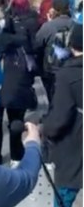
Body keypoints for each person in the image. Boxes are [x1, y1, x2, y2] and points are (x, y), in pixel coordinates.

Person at [42, 23, 82, 206]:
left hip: (75, 145)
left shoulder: (68, 74)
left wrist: (45, 130)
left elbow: (59, 118)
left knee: (64, 197)